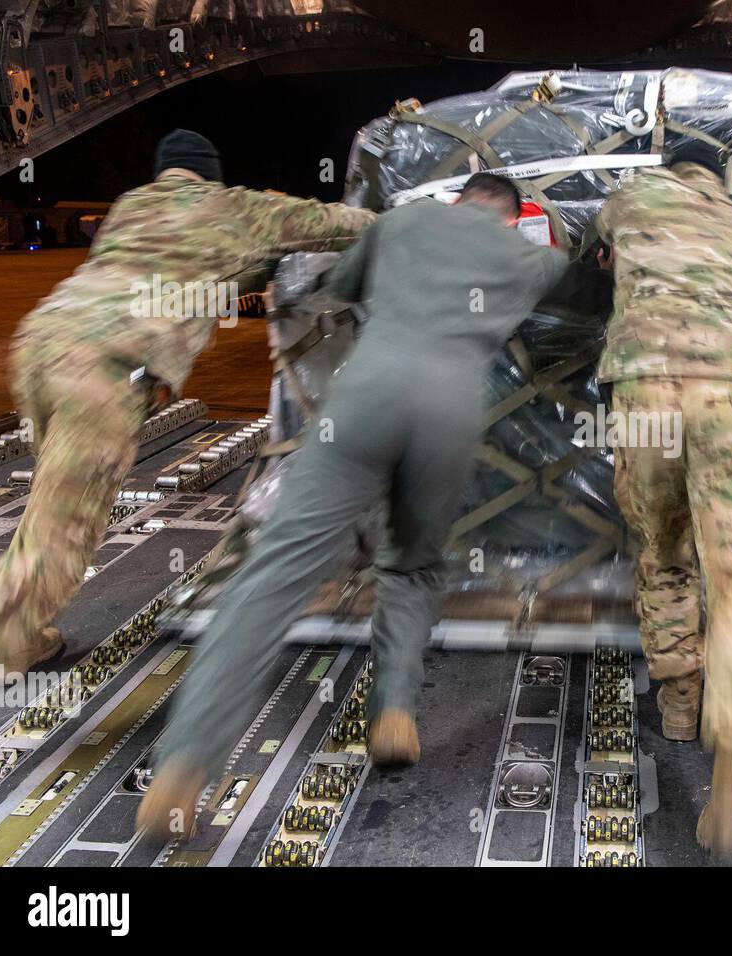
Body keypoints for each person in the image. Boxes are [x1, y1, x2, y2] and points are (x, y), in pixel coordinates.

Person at [138, 174, 574, 840]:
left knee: (276, 574)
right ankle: (394, 714)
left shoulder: (400, 223)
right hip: (451, 416)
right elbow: (581, 285)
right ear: (514, 219)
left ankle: (186, 763)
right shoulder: (528, 256)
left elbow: (336, 289)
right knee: (414, 564)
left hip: (366, 400)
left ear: (458, 200)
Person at [0, 130, 373, 678]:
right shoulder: (234, 206)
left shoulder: (129, 206)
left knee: (50, 506)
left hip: (43, 344)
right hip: (105, 368)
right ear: (210, 174)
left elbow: (170, 270)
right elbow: (334, 224)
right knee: (66, 527)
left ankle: (16, 638)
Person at [595, 142, 732, 859]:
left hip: (647, 392)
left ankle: (678, 708)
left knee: (664, 554)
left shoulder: (634, 198)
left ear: (672, 170)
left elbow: (600, 254)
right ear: (720, 178)